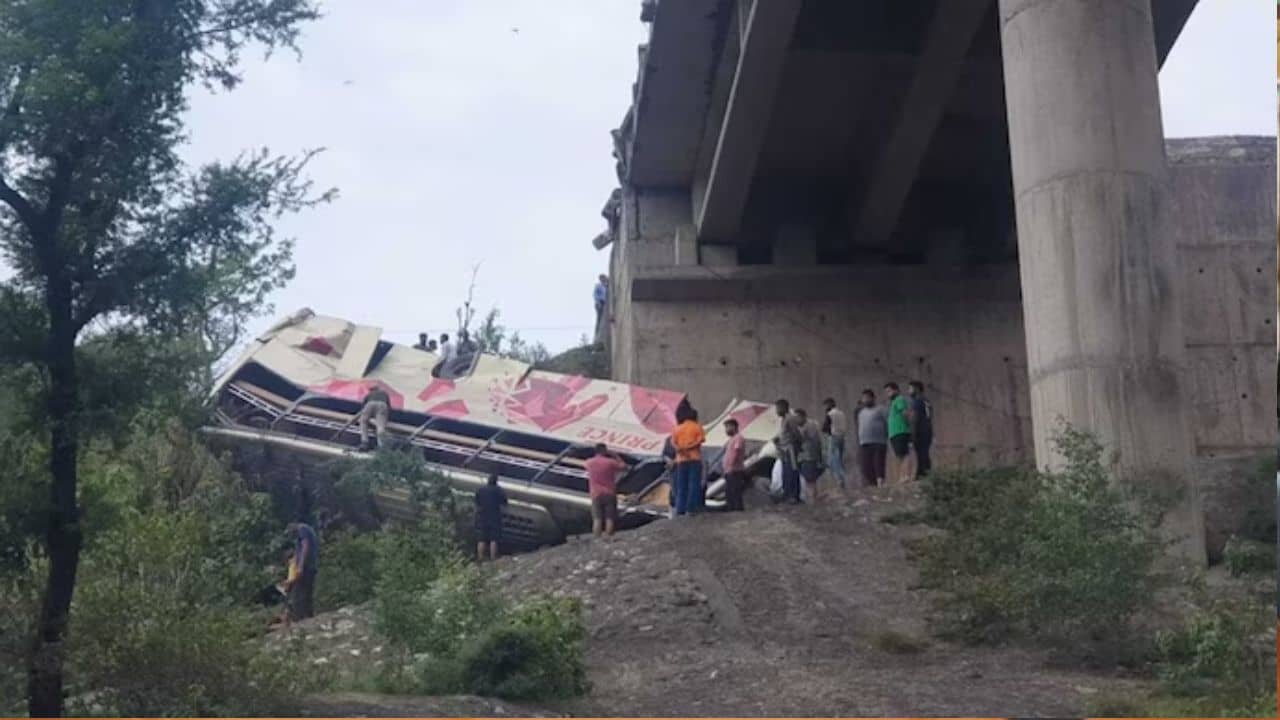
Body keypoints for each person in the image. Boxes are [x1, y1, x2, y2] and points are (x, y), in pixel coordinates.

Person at [670, 404, 706, 516]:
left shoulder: (677, 428)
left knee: (681, 486)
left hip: (681, 460)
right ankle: (692, 509)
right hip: (694, 459)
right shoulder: (697, 427)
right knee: (694, 484)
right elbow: (700, 441)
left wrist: (681, 449)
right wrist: (688, 448)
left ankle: (680, 509)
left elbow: (673, 443)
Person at [584, 443, 627, 537]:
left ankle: (596, 538)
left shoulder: (589, 462)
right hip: (609, 492)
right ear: (605, 451)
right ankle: (608, 537)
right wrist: (616, 455)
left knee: (597, 518)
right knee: (609, 518)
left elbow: (585, 466)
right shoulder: (610, 462)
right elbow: (624, 467)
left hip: (595, 493)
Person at [283, 522, 319, 621]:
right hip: (310, 566)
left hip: (306, 566)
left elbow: (305, 546)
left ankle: (302, 617)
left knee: (300, 593)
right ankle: (308, 615)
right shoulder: (306, 530)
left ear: (292, 528)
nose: (291, 536)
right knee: (306, 592)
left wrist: (300, 566)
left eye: (290, 533)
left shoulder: (302, 530)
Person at [855, 389, 888, 487]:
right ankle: (872, 484)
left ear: (873, 398)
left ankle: (880, 482)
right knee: (866, 465)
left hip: (879, 441)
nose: (865, 400)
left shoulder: (881, 409)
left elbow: (888, 422)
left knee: (878, 463)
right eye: (863, 398)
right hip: (865, 442)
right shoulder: (861, 412)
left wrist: (887, 435)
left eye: (867, 398)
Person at [773, 399, 802, 504]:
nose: (776, 411)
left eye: (778, 408)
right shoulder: (783, 420)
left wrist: (794, 447)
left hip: (790, 449)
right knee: (785, 473)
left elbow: (796, 434)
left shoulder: (790, 419)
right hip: (784, 450)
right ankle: (787, 494)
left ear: (784, 408)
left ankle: (794, 496)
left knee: (792, 472)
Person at [474, 474, 508, 561]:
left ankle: (480, 557)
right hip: (494, 516)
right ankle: (493, 558)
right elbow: (504, 502)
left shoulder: (481, 490)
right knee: (494, 538)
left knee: (481, 538)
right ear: (496, 481)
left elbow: (476, 501)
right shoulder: (498, 490)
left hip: (482, 515)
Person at [885, 382, 912, 484]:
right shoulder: (893, 402)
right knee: (899, 455)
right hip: (894, 433)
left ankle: (906, 475)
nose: (888, 394)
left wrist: (908, 426)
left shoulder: (900, 399)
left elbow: (905, 413)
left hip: (901, 430)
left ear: (896, 390)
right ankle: (902, 476)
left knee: (904, 454)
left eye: (889, 391)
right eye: (886, 392)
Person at [795, 408, 824, 501]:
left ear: (803, 416)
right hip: (804, 457)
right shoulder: (804, 426)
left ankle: (812, 499)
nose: (796, 420)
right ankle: (812, 498)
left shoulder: (810, 426)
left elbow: (814, 442)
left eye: (797, 417)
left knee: (810, 480)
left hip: (809, 457)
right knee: (809, 480)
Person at [908, 381, 934, 478]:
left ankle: (922, 474)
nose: (909, 391)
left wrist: (912, 434)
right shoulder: (926, 401)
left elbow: (915, 419)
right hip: (928, 429)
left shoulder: (917, 402)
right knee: (924, 453)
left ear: (917, 389)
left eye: (910, 389)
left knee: (921, 454)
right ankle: (925, 473)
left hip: (920, 431)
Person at [721, 418, 747, 511]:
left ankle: (737, 510)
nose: (726, 430)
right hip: (729, 470)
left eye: (727, 427)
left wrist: (731, 465)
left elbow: (736, 452)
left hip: (735, 470)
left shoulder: (738, 438)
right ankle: (732, 510)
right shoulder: (731, 440)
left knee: (735, 492)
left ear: (734, 427)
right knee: (729, 492)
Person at [822, 397, 849, 491]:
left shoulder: (830, 414)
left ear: (829, 405)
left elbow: (824, 428)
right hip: (842, 437)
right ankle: (841, 481)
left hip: (833, 438)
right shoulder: (841, 413)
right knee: (839, 459)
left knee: (833, 461)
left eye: (826, 405)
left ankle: (840, 480)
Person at [358, 386, 391, 450]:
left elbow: (363, 408)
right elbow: (389, 406)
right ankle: (381, 446)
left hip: (370, 404)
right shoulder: (384, 393)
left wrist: (369, 417)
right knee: (380, 426)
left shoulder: (369, 394)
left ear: (372, 390)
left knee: (363, 421)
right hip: (383, 405)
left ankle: (365, 442)